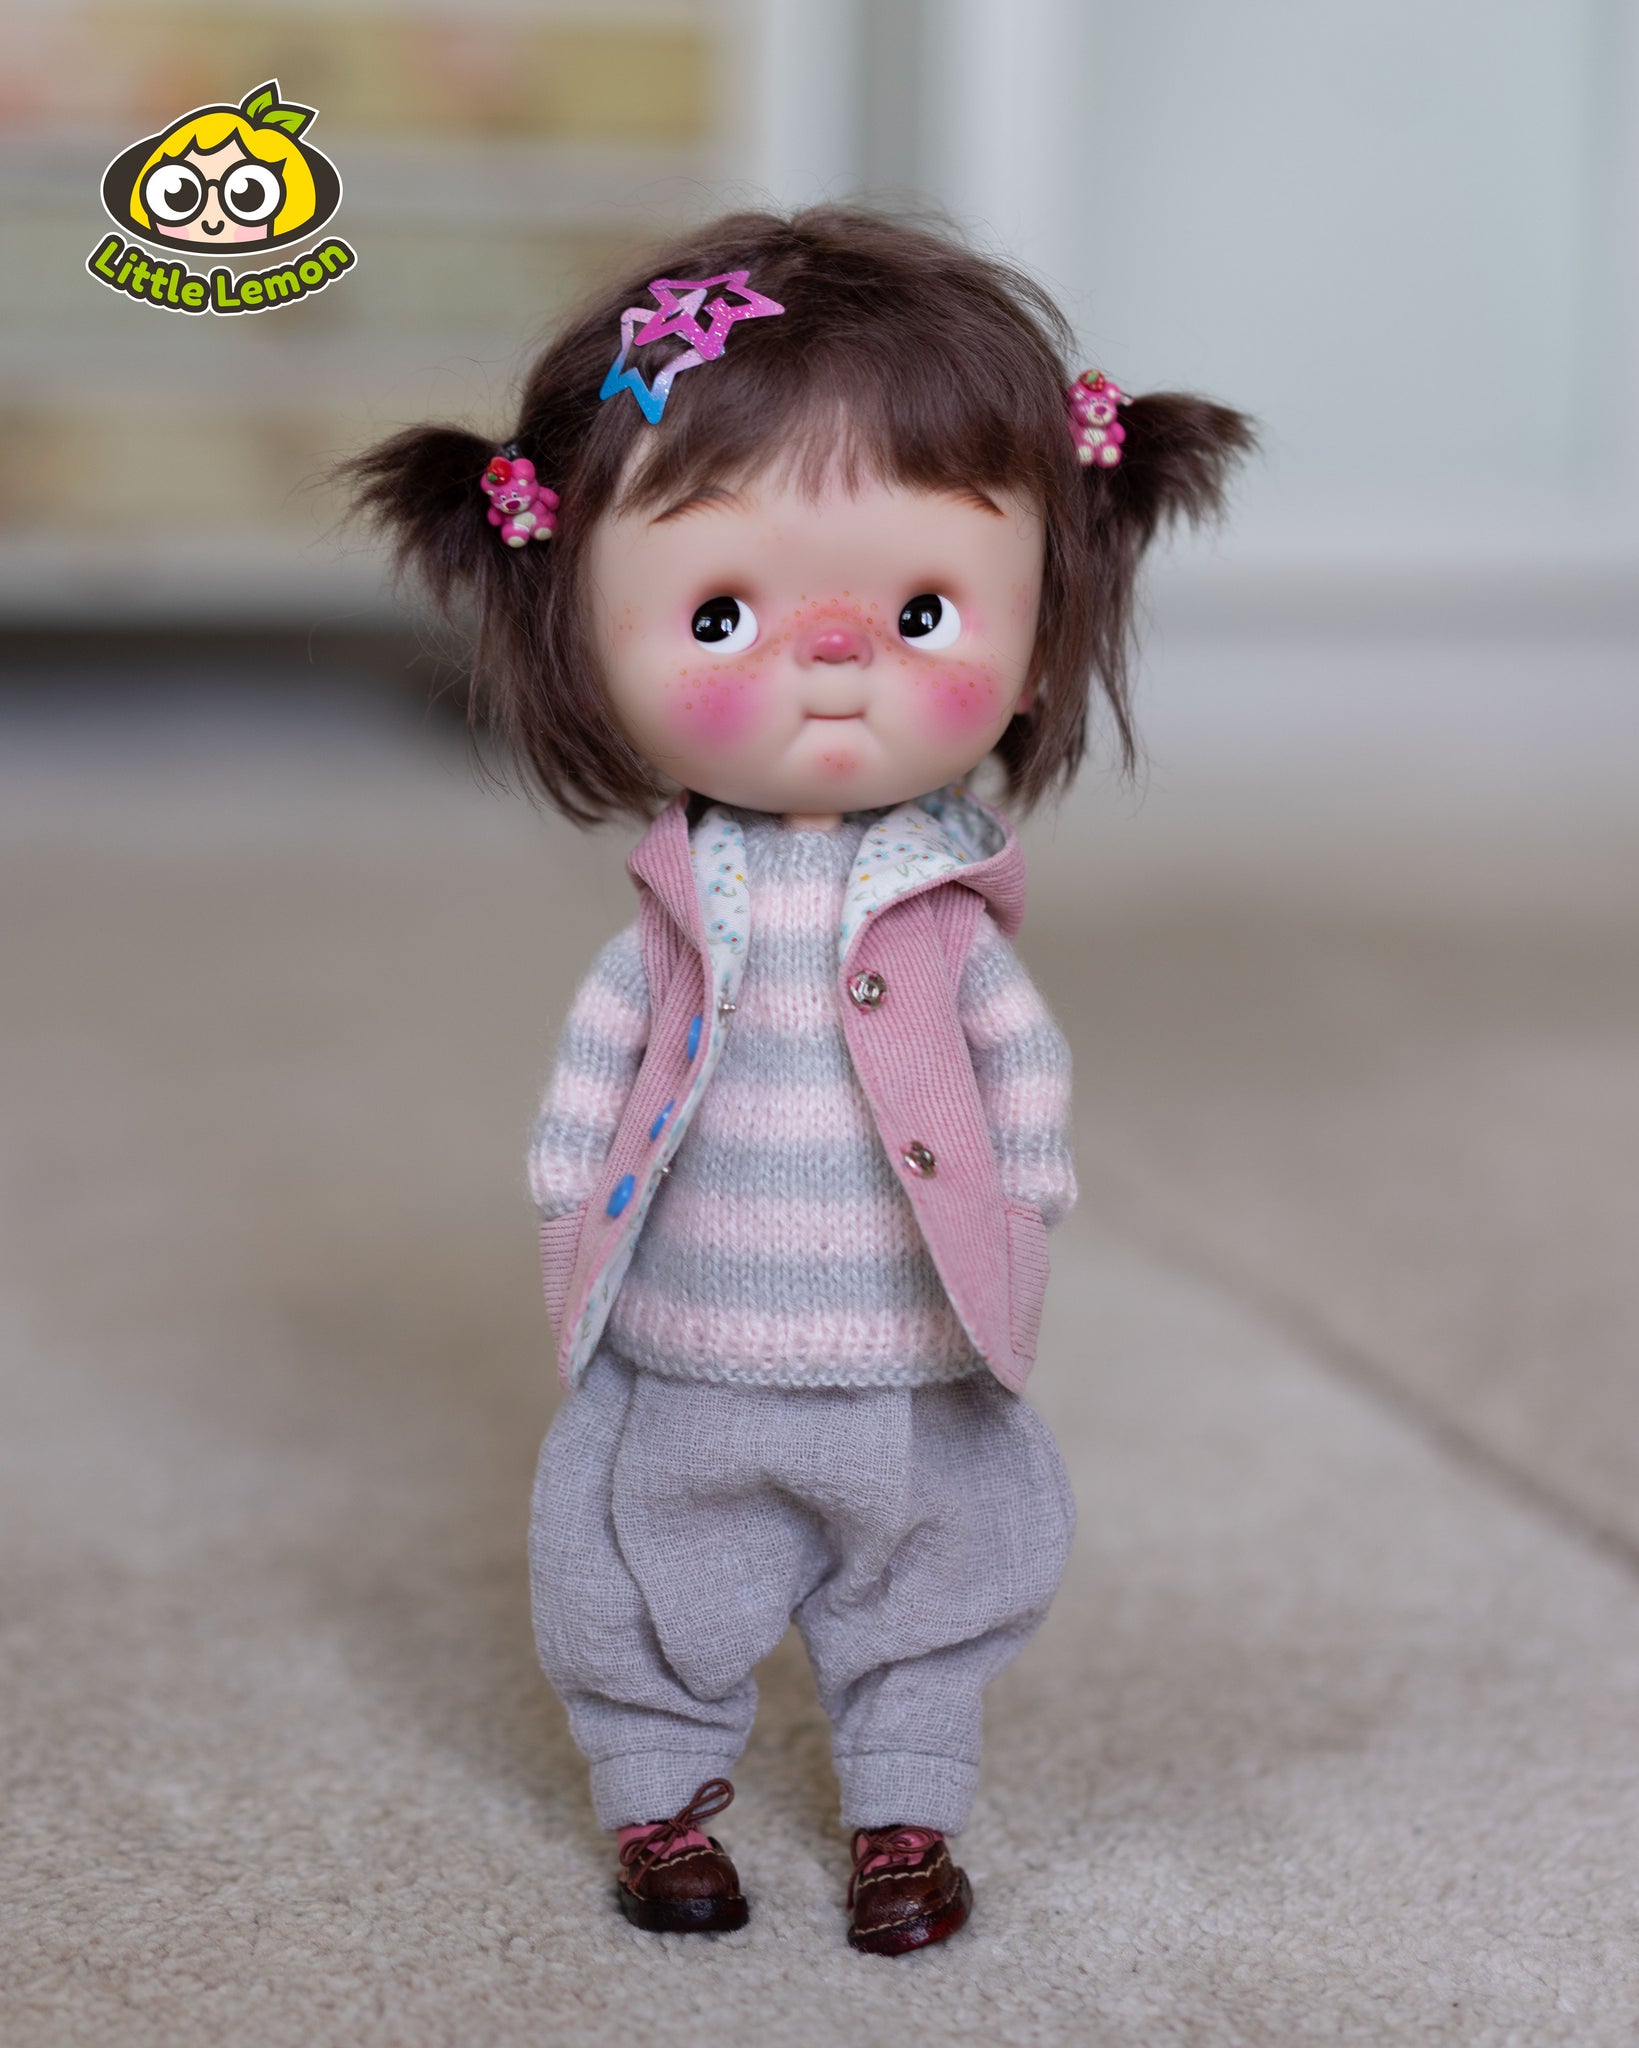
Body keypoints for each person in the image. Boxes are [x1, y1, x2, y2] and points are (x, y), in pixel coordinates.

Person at [341, 204, 1252, 1955]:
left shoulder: (950, 917)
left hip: (915, 1347)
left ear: (1043, 627)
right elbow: (605, 1053)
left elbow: (1016, 1063)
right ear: (580, 639)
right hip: (692, 1332)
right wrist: (565, 1177)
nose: (833, 655)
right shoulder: (680, 914)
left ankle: (907, 1805)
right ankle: (656, 1793)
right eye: (720, 613)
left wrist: (1030, 1185)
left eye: (921, 609)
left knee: (940, 1564)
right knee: (637, 1561)